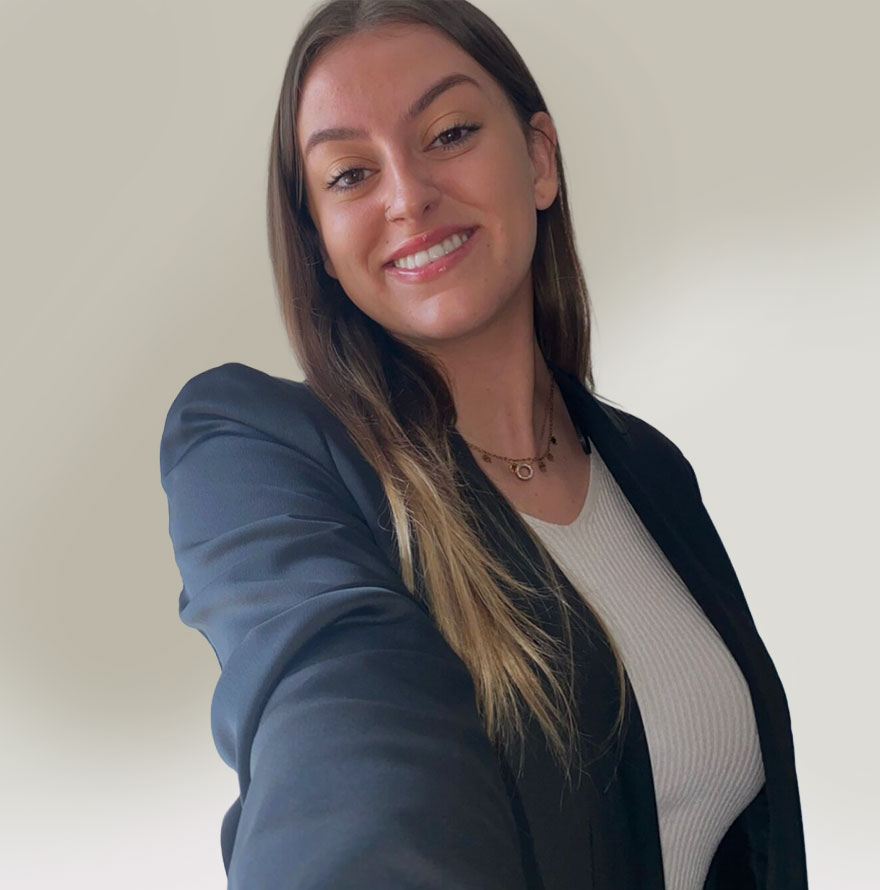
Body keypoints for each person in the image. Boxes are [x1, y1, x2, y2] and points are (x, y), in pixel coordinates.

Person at [158, 2, 808, 888]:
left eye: (450, 133)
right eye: (350, 174)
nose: (407, 196)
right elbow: (344, 742)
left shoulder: (649, 469)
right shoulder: (260, 453)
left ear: (539, 160)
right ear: (321, 246)